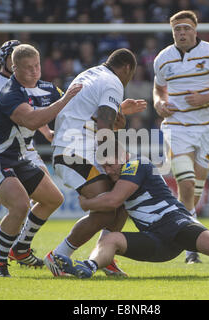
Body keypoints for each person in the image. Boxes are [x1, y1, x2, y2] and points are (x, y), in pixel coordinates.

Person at [45, 140, 209, 279]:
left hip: (175, 223)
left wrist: (87, 203)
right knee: (110, 239)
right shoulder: (119, 174)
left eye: (111, 164)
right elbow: (113, 213)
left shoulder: (136, 164)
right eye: (105, 166)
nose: (109, 170)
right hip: (154, 242)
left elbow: (112, 201)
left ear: (123, 155)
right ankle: (88, 267)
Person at [0, 43, 82, 277]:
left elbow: (73, 106)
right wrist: (64, 101)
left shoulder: (45, 87)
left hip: (18, 158)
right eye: (28, 68)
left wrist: (108, 112)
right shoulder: (8, 94)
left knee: (53, 199)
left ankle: (21, 248)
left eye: (37, 65)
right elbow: (32, 120)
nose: (35, 71)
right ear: (15, 69)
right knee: (20, 205)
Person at [43, 48, 147, 277]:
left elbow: (93, 118)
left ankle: (105, 256)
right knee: (107, 207)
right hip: (74, 153)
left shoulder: (91, 74)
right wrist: (113, 164)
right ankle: (59, 256)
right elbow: (103, 127)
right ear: (127, 68)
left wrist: (118, 113)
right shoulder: (113, 82)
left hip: (75, 149)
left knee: (121, 200)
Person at [152, 10, 209, 263]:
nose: (181, 33)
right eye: (177, 29)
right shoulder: (163, 58)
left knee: (195, 192)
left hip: (205, 128)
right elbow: (158, 89)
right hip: (176, 126)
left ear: (195, 30)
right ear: (172, 33)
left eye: (186, 28)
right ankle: (192, 246)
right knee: (186, 184)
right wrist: (159, 103)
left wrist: (205, 98)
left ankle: (188, 233)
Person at [0, 40, 56, 268]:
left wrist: (46, 131)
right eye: (11, 57)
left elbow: (34, 113)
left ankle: (21, 248)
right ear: (7, 62)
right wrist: (0, 128)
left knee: (46, 196)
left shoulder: (34, 83)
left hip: (26, 150)